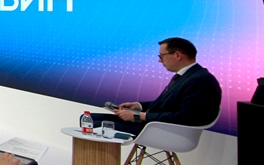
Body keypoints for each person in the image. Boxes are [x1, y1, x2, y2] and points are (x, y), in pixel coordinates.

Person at [92, 37, 222, 134]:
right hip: (156, 124)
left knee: (94, 124)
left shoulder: (200, 80)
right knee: (89, 118)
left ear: (177, 55)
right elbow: (169, 103)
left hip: (166, 131)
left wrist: (139, 115)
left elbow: (185, 117)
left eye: (161, 56)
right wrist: (138, 106)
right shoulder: (185, 76)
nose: (160, 60)